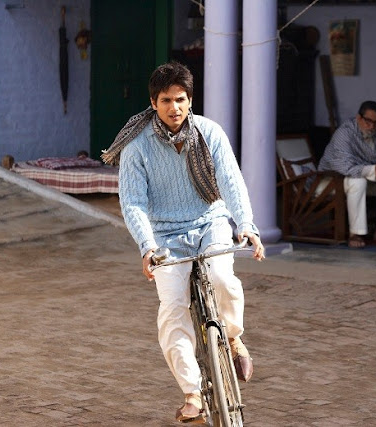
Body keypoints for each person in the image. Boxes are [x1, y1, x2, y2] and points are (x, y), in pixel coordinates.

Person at [101, 61, 265, 423]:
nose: (174, 108)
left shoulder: (210, 132)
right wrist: (146, 246)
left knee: (223, 279)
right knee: (172, 309)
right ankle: (192, 394)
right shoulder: (137, 147)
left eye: (180, 99)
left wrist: (246, 225)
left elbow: (231, 181)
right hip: (164, 235)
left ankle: (233, 338)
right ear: (153, 103)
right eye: (165, 100)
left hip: (210, 222)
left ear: (190, 100)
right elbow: (133, 202)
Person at [318, 100, 376, 248]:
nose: (372, 126)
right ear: (359, 117)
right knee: (357, 181)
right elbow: (345, 166)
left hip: (364, 176)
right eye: (368, 121)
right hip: (333, 179)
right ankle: (355, 233)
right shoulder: (344, 133)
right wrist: (372, 170)